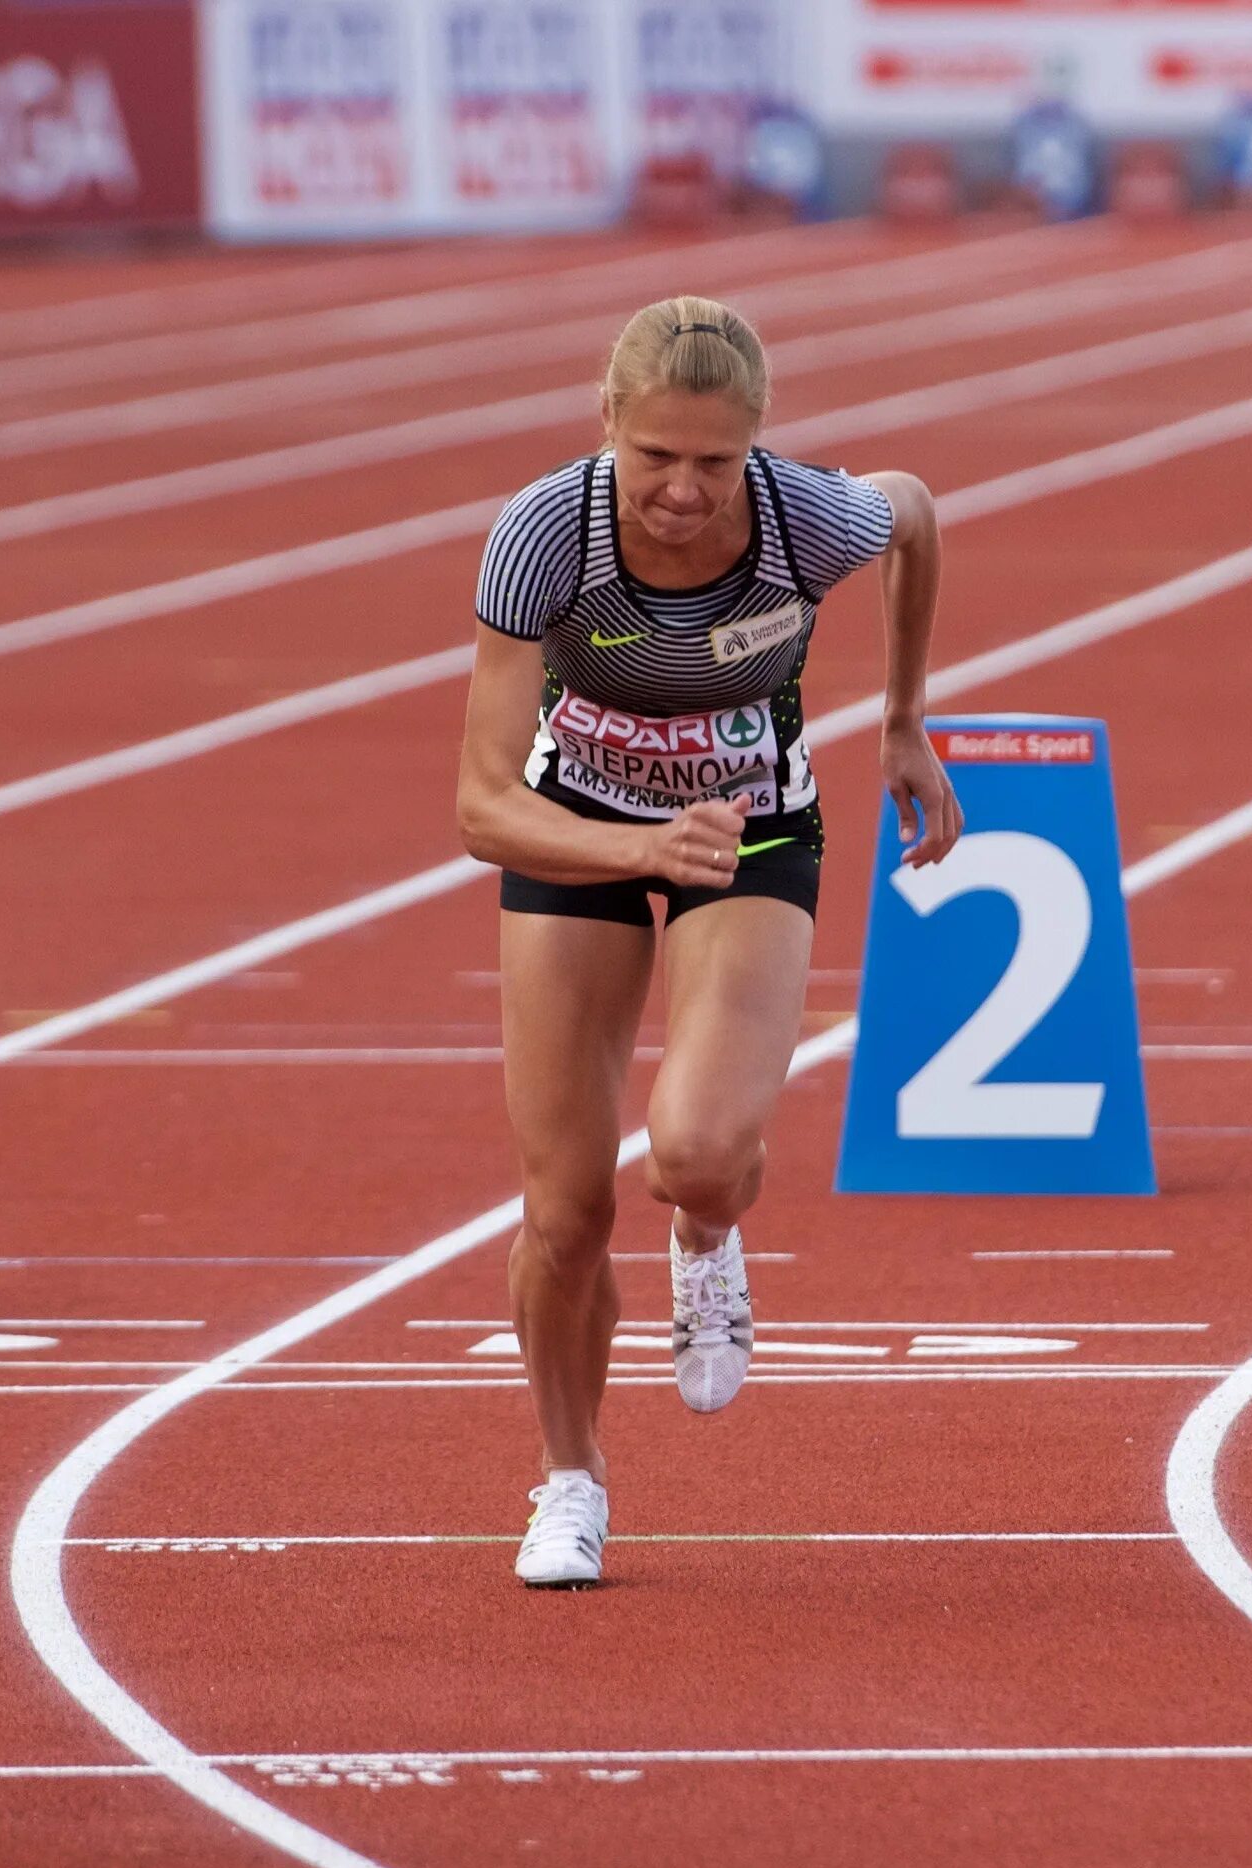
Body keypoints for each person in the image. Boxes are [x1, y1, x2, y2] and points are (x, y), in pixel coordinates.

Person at [455, 295, 958, 1584]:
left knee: (698, 1152)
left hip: (755, 829)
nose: (682, 490)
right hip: (579, 829)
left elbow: (909, 509)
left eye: (715, 463)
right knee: (563, 1205)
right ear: (606, 423)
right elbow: (481, 805)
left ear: (758, 450)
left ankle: (706, 1240)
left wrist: (902, 716)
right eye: (655, 458)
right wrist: (635, 846)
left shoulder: (805, 518)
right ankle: (570, 1479)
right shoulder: (541, 537)